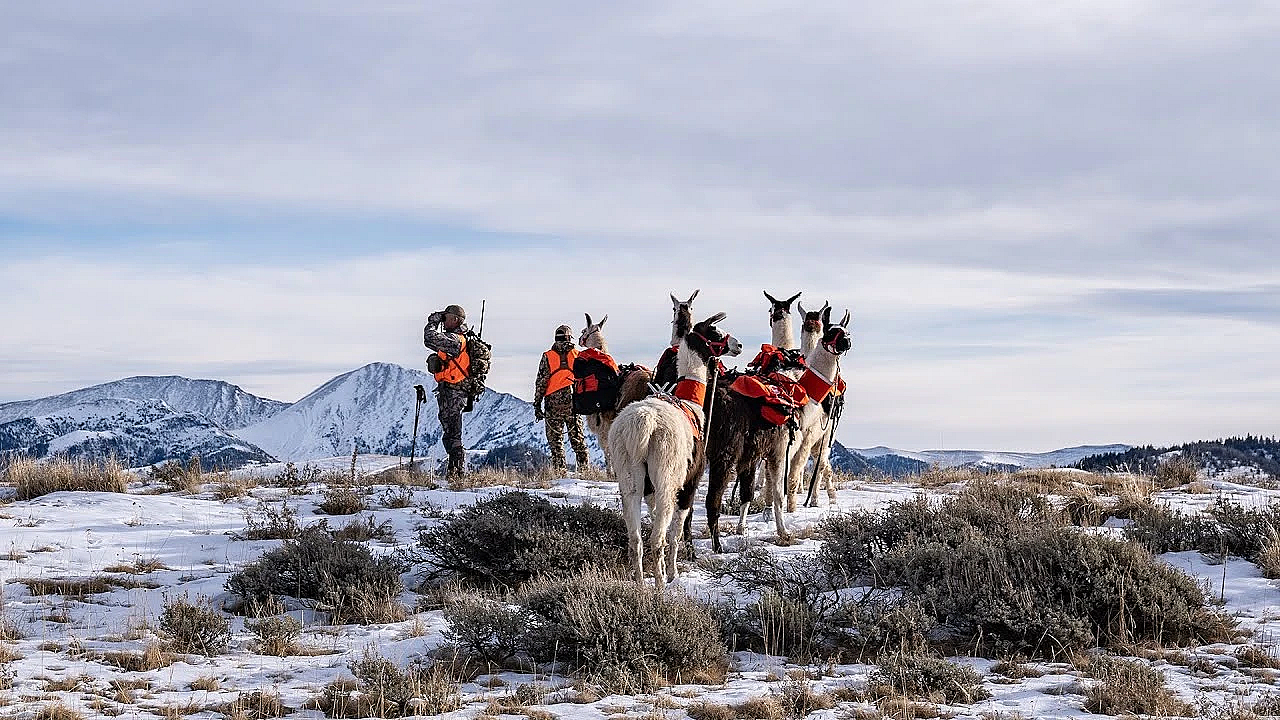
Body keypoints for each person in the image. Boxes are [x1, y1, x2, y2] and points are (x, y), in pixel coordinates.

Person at [423, 304, 477, 480]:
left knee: (453, 433)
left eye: (446, 317)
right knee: (451, 432)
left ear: (455, 319)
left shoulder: (454, 340)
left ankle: (457, 474)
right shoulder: (457, 339)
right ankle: (455, 473)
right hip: (452, 391)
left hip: (454, 392)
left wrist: (433, 320)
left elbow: (429, 338)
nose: (443, 320)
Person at [533, 324, 590, 471]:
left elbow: (541, 382)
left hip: (552, 405)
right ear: (570, 338)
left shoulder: (547, 356)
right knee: (578, 441)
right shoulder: (578, 355)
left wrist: (537, 404)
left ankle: (560, 474)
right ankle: (586, 472)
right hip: (574, 405)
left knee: (556, 444)